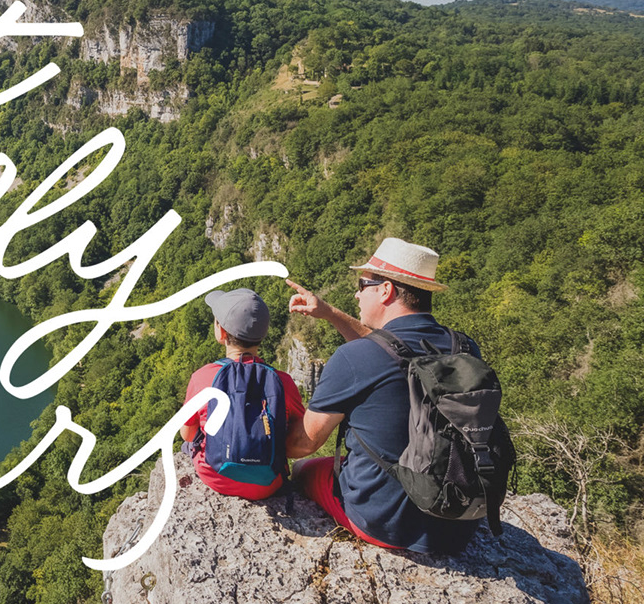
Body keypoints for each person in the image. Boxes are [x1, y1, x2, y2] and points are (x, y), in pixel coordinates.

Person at [282, 237, 483, 554]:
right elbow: (394, 350)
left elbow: (302, 444)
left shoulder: (353, 359)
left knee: (303, 470)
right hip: (459, 521)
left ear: (386, 290)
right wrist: (331, 313)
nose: (356, 293)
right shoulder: (465, 348)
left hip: (387, 524)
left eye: (363, 284)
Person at [179, 289, 305, 501]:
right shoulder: (283, 382)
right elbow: (296, 433)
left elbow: (188, 433)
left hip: (216, 477)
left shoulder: (203, 377)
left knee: (187, 445)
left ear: (222, 333)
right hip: (267, 484)